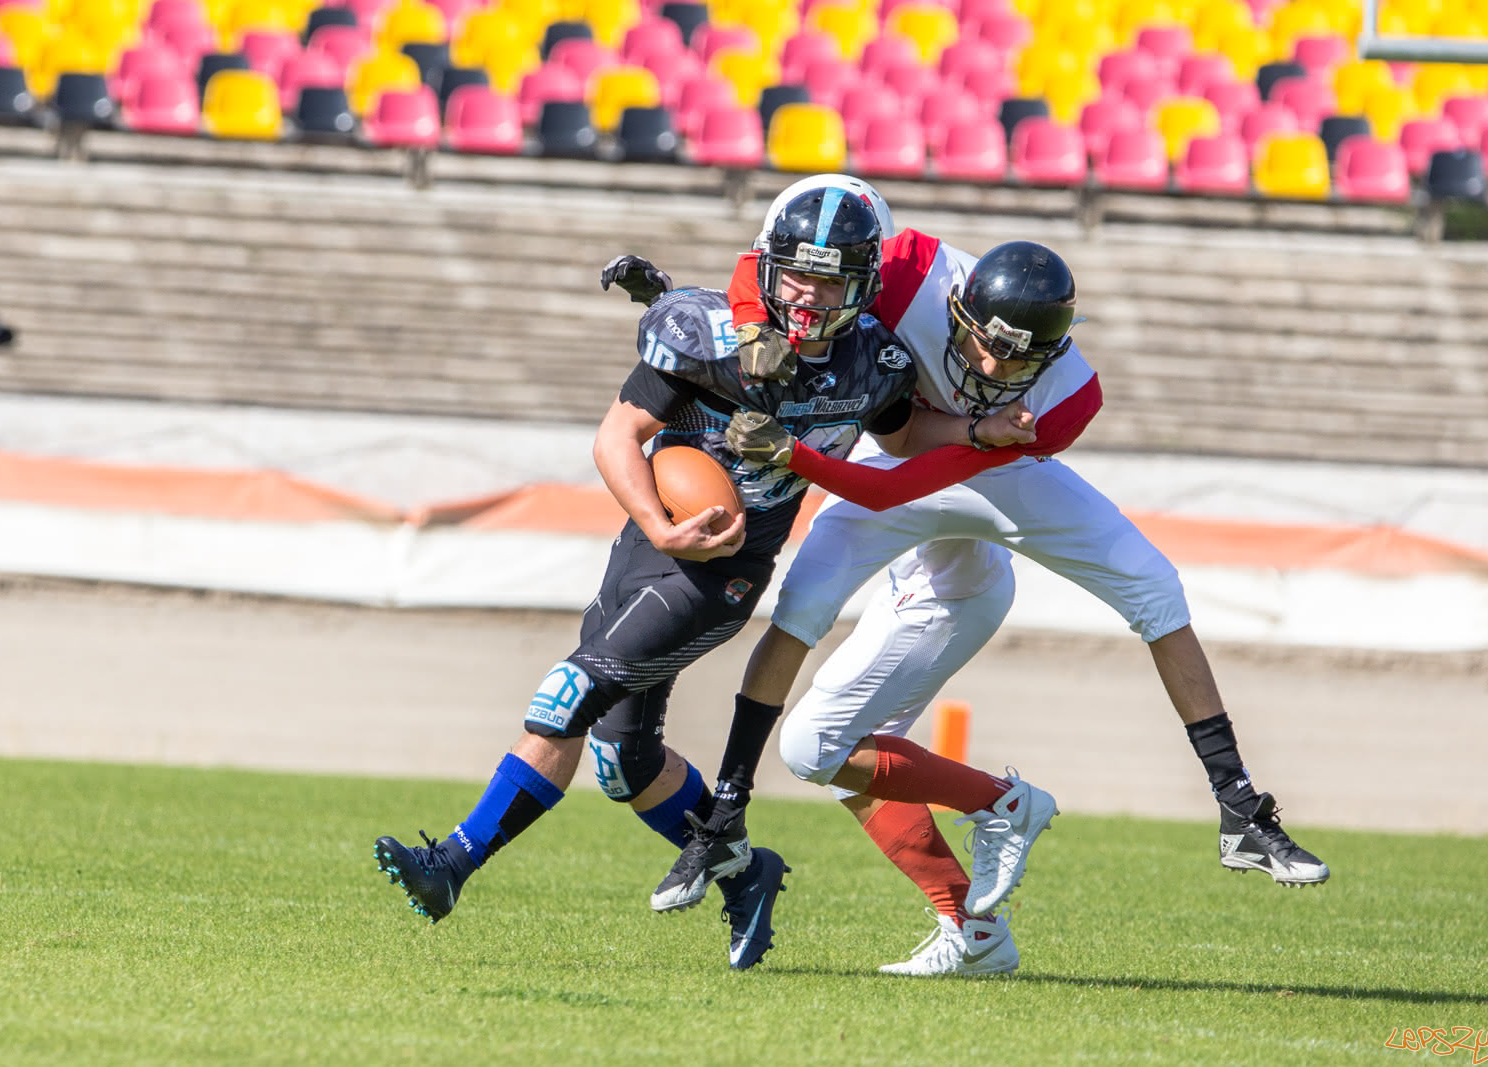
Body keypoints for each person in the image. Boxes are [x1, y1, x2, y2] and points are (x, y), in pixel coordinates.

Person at [615, 176, 1329, 976]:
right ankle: (760, 821)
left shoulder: (1066, 402)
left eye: (1017, 358)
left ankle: (1238, 805)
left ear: (1052, 354)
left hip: (967, 467)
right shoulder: (910, 267)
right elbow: (775, 263)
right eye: (980, 343)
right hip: (897, 451)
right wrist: (725, 316)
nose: (991, 364)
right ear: (955, 307)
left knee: (1155, 585)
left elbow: (901, 483)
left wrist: (800, 455)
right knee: (807, 662)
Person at [372, 189, 1035, 971]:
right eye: (797, 275)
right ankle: (747, 875)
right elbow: (620, 432)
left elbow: (900, 430)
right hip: (650, 544)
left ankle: (453, 863)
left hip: (721, 573)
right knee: (627, 763)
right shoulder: (709, 337)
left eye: (829, 281)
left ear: (863, 282)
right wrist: (654, 521)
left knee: (565, 695)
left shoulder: (876, 360)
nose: (808, 294)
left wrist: (973, 429)